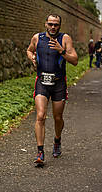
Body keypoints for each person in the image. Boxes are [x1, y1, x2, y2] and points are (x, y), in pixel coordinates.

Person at [27, 14, 78, 164]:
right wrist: (31, 57)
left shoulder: (65, 38)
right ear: (45, 24)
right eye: (50, 24)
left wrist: (61, 51)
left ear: (60, 26)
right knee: (40, 115)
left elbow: (74, 60)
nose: (53, 27)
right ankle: (40, 152)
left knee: (57, 117)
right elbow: (29, 50)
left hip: (59, 83)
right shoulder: (37, 38)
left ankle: (57, 140)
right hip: (42, 81)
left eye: (56, 24)